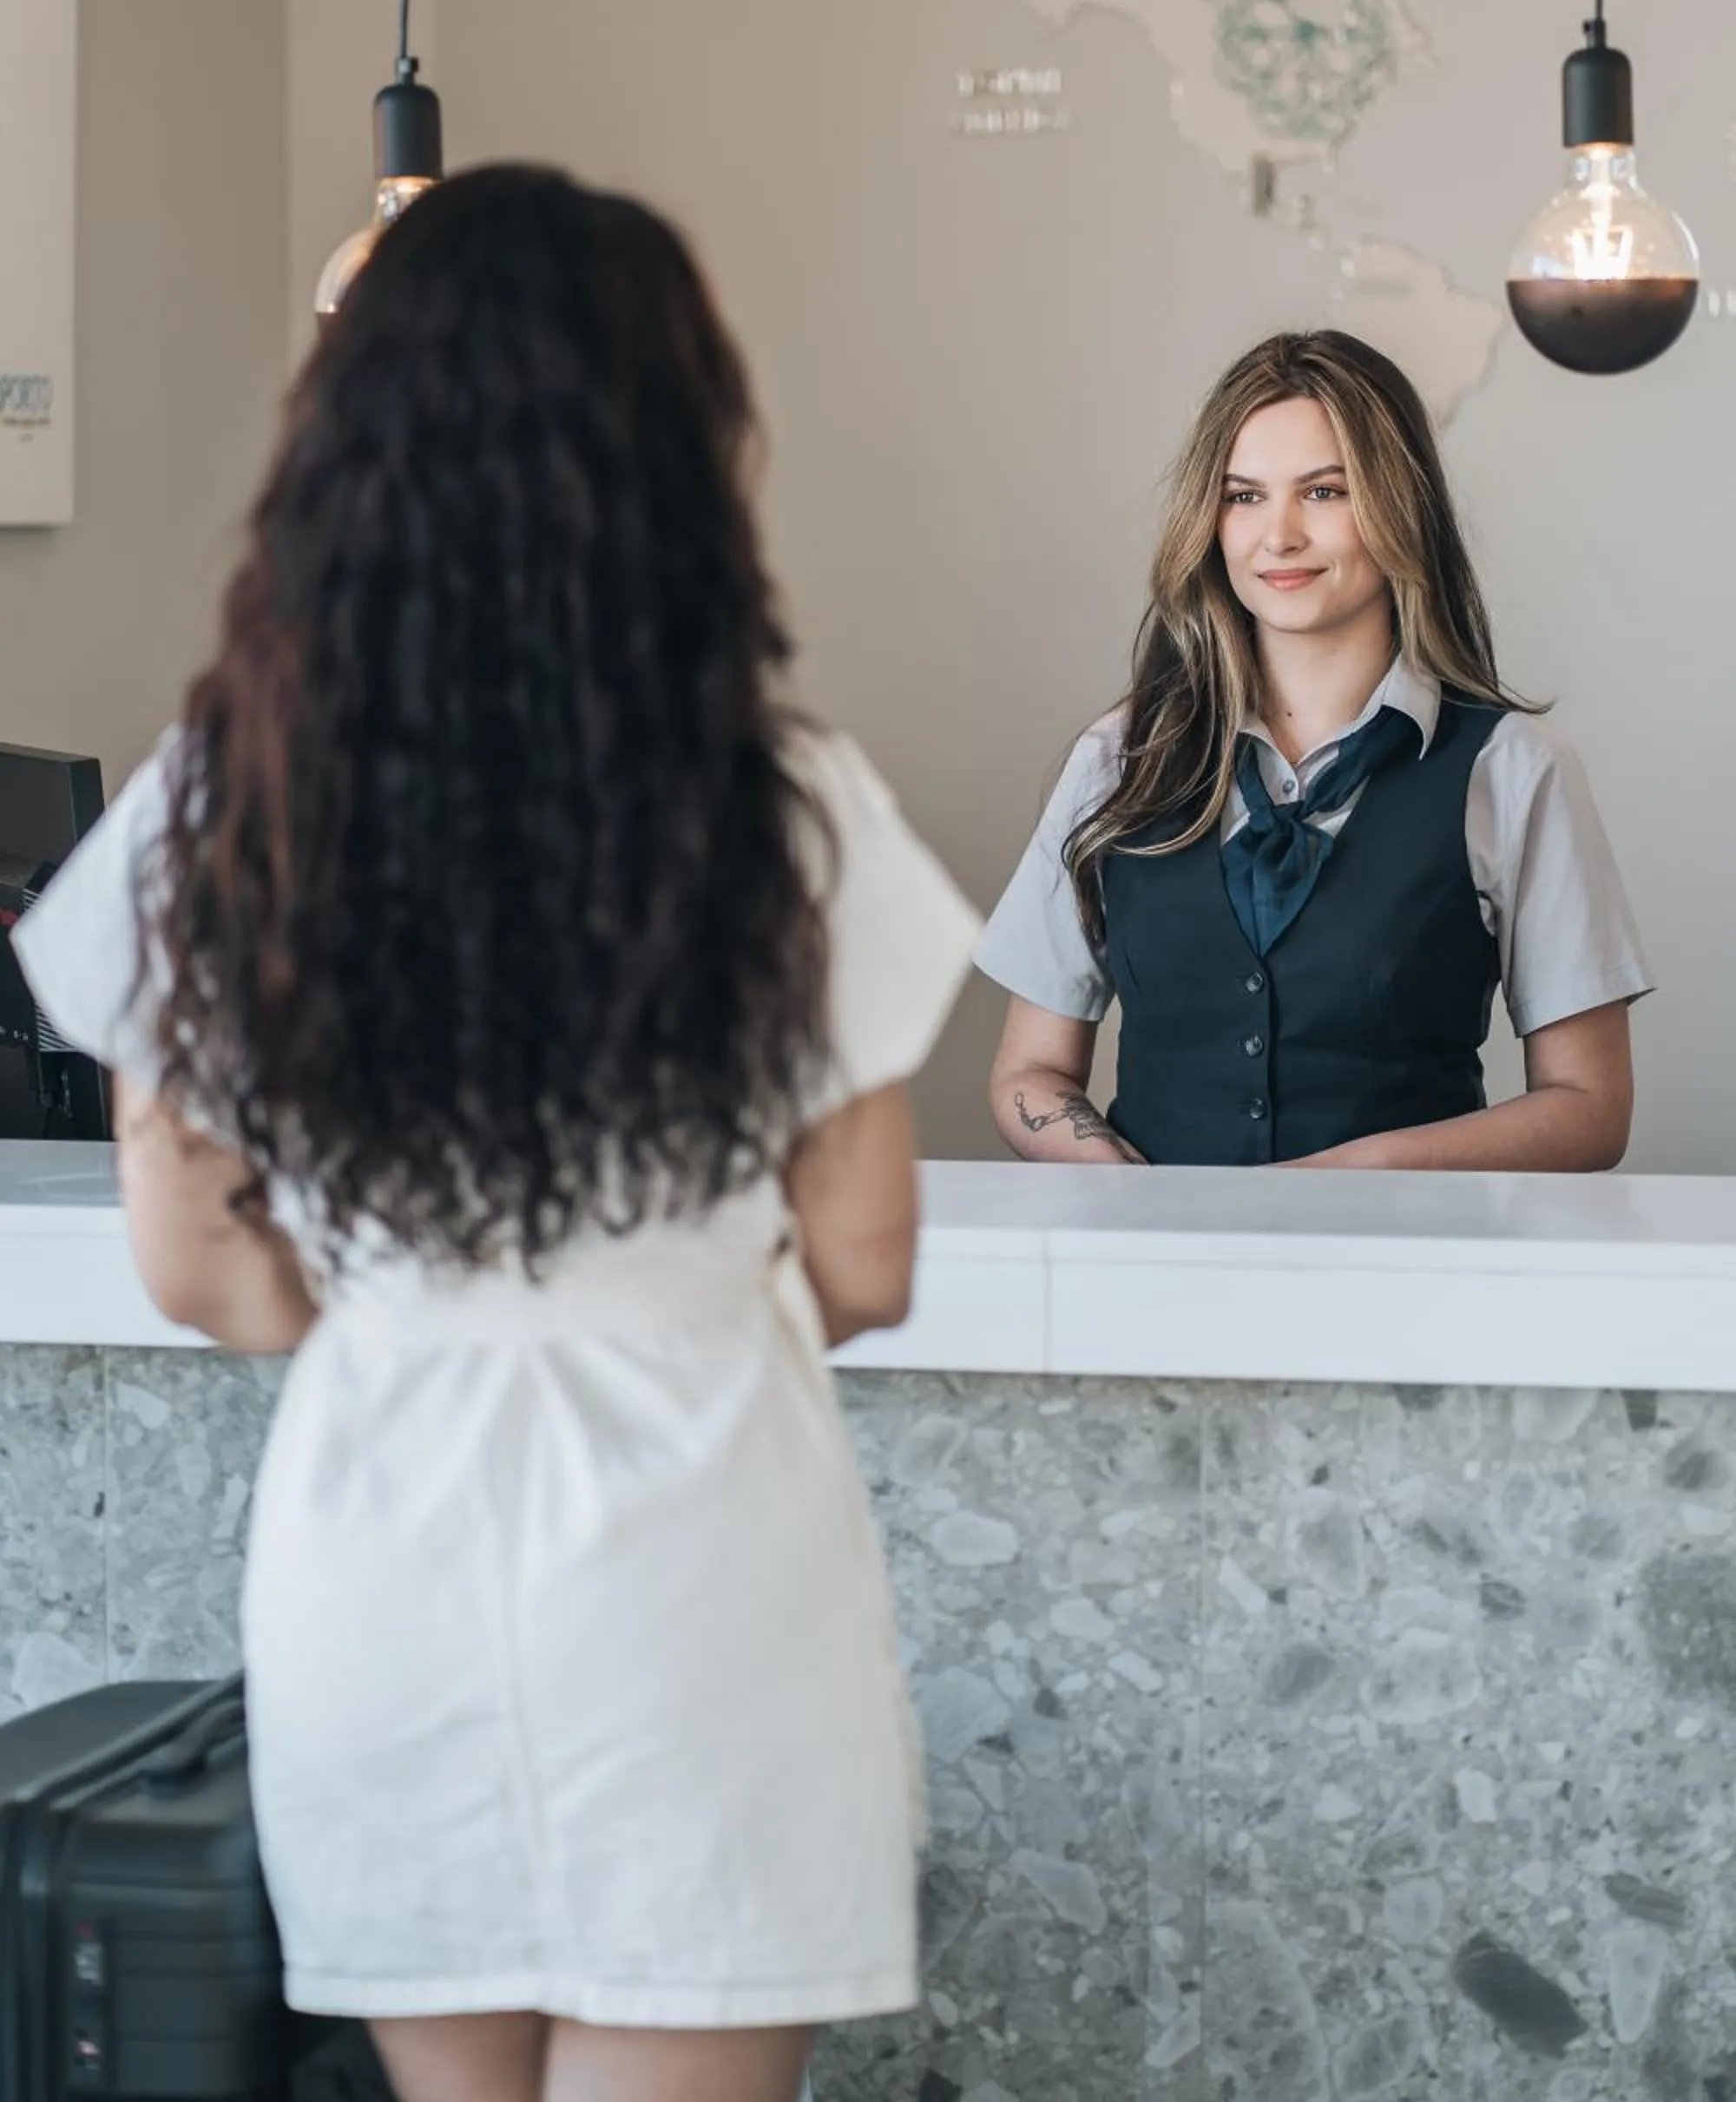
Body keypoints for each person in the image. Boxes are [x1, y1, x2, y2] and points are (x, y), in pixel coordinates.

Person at [15, 168, 979, 2102]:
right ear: (674, 448)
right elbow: (865, 1259)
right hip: (701, 1557)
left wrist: (393, 1290)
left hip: (384, 1563)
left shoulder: (227, 801)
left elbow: (205, 1268)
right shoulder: (779, 805)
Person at [977, 330, 1651, 1171]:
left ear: (1397, 505)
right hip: (1150, 1282)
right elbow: (1028, 1072)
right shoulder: (1118, 758)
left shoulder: (1511, 769)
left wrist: (1353, 1175)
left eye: (1324, 491)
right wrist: (1120, 1190)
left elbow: (1587, 1110)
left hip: (1412, 1283)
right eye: (1243, 496)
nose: (1278, 536)